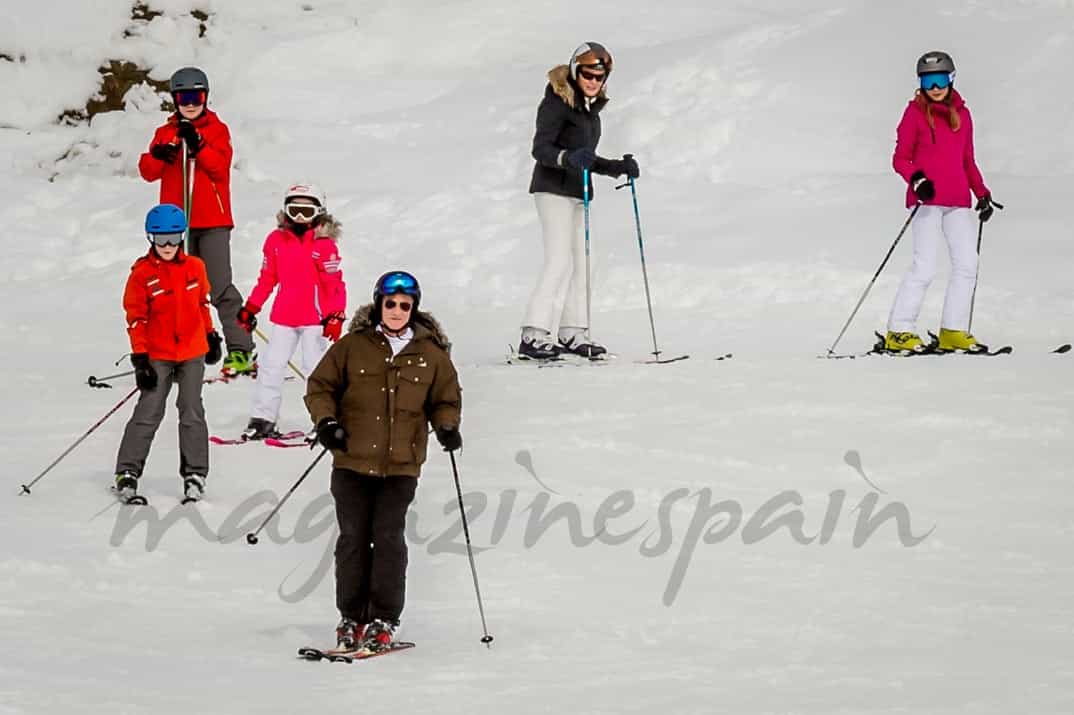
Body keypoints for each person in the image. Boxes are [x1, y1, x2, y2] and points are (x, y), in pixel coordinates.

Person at [304, 271, 462, 652]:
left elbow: (445, 398)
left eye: (405, 305)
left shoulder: (430, 355)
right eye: (390, 304)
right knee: (353, 539)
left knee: (388, 538)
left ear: (414, 308)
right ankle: (351, 616)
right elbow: (320, 386)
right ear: (379, 303)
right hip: (351, 461)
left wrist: (446, 426)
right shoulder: (352, 346)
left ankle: (384, 619)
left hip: (401, 465)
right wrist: (326, 423)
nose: (396, 311)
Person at [519, 42, 641, 360]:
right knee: (559, 261)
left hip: (578, 193)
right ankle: (533, 335)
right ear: (575, 71)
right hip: (551, 189)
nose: (593, 81)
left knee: (587, 262)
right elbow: (541, 149)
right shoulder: (556, 102)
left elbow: (586, 159)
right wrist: (567, 157)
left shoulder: (590, 111)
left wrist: (616, 168)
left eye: (600, 77)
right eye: (588, 74)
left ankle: (572, 331)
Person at [138, 66, 257, 376]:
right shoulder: (166, 132)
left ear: (206, 97)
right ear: (174, 99)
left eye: (197, 96)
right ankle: (179, 352)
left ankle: (241, 348)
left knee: (218, 286)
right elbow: (148, 171)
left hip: (212, 220)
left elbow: (219, 167)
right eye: (183, 97)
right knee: (176, 289)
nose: (190, 103)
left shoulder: (217, 129)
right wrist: (159, 155)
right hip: (175, 224)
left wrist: (199, 144)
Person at [886, 50, 998, 354]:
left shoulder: (963, 115)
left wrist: (982, 193)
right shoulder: (913, 114)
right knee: (924, 266)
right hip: (928, 200)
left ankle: (953, 330)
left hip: (958, 200)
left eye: (940, 79)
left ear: (951, 79)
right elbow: (900, 158)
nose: (934, 87)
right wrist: (917, 179)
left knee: (967, 264)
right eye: (927, 80)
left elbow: (967, 160)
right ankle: (899, 331)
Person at [113, 204, 222, 503]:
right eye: (160, 239)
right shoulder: (142, 274)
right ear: (150, 239)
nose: (168, 246)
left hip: (192, 350)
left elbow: (202, 304)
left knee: (191, 410)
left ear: (182, 237)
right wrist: (140, 358)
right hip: (158, 352)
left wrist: (210, 335)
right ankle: (127, 471)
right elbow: (136, 318)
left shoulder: (195, 267)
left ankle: (195, 472)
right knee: (149, 410)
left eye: (174, 238)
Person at [236, 183, 346, 440]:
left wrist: (335, 314)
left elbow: (334, 284)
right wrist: (251, 307)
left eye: (306, 212)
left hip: (314, 319)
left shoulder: (324, 245)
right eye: (294, 210)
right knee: (271, 366)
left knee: (315, 369)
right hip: (285, 316)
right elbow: (267, 278)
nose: (299, 217)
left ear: (318, 213)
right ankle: (263, 418)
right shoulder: (276, 241)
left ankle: (324, 420)